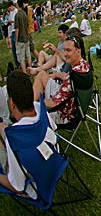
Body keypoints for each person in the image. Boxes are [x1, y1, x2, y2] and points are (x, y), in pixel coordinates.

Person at [0, 71, 55, 199]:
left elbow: (17, 187)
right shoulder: (39, 108)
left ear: (12, 103)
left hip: (34, 187)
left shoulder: (14, 139)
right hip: (52, 163)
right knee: (2, 127)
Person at [31, 34, 90, 124]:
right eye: (64, 50)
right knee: (42, 74)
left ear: (78, 51)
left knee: (33, 107)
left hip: (62, 115)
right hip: (71, 101)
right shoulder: (84, 65)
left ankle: (28, 108)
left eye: (69, 50)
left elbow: (53, 104)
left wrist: (37, 105)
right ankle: (32, 100)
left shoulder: (72, 78)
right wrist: (56, 75)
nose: (65, 54)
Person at [14, 0, 31, 75]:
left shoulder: (17, 15)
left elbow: (17, 29)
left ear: (18, 4)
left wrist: (16, 40)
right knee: (28, 55)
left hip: (21, 38)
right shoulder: (24, 13)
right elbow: (27, 25)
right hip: (26, 37)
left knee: (21, 57)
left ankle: (24, 72)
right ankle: (30, 70)